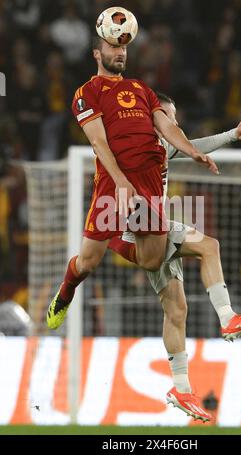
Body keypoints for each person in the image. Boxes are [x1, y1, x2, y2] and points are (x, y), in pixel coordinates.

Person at [108, 93, 241, 421]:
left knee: (176, 309)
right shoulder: (136, 146)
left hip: (149, 227)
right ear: (153, 118)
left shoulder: (162, 145)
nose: (175, 123)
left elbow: (194, 143)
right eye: (169, 116)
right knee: (210, 246)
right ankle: (227, 317)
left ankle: (180, 386)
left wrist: (230, 135)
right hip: (142, 226)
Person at [47, 37, 218, 340]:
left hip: (148, 184)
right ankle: (65, 292)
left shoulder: (141, 89)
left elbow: (167, 127)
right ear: (97, 54)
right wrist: (122, 182)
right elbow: (99, 143)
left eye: (123, 47)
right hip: (113, 186)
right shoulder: (86, 93)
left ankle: (117, 240)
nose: (120, 52)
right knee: (88, 262)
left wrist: (192, 151)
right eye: (113, 47)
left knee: (153, 260)